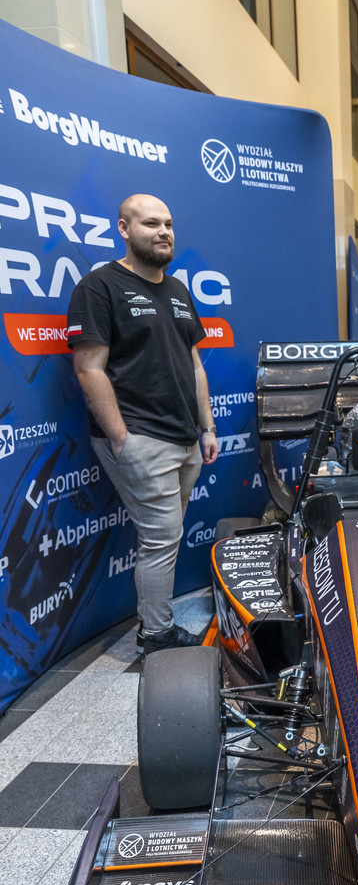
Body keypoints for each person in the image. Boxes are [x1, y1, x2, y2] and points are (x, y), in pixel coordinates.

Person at [67, 194, 219, 655]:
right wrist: (121, 439)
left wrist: (208, 427)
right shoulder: (99, 286)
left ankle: (154, 629)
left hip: (186, 438)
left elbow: (194, 365)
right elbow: (88, 368)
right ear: (124, 229)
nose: (163, 232)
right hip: (140, 437)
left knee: (166, 539)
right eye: (151, 224)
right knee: (161, 540)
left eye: (168, 224)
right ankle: (156, 636)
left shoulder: (178, 291)